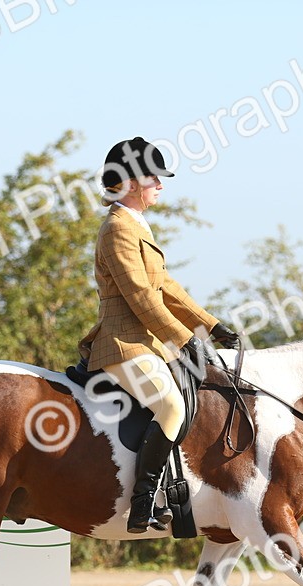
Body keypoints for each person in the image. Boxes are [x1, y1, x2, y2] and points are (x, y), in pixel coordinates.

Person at [77, 137, 240, 533]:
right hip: (122, 345)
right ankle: (143, 500)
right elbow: (140, 298)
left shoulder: (136, 226)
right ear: (132, 182)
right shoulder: (117, 229)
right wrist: (186, 340)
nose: (161, 185)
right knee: (170, 405)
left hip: (146, 344)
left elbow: (166, 286)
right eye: (154, 177)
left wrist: (212, 325)